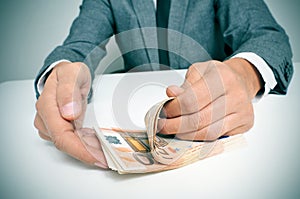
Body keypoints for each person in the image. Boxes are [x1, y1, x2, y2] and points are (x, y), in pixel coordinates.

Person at [34, 0, 293, 169]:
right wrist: (59, 75)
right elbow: (77, 47)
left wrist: (244, 75)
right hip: (134, 105)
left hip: (213, 139)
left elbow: (266, 35)